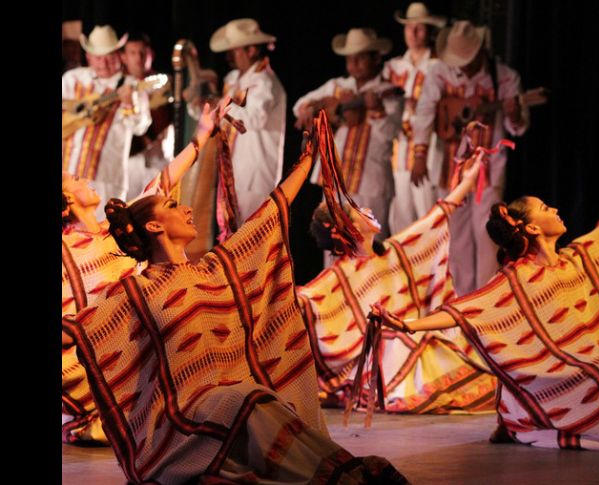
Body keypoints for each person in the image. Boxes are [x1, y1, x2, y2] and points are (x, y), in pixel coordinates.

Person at [62, 131, 410, 483]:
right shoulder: (137, 291)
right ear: (153, 226)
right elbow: (81, 330)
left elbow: (268, 216)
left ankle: (339, 470)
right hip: (180, 420)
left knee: (258, 398)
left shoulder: (215, 270)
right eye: (172, 206)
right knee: (246, 398)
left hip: (232, 402)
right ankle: (338, 477)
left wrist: (307, 162)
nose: (186, 209)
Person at [371, 126, 599, 451]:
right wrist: (407, 325)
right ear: (531, 228)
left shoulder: (577, 258)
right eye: (545, 209)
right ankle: (592, 425)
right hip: (554, 372)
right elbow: (464, 312)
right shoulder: (517, 277)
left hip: (585, 360)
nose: (555, 209)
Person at [62, 101, 230, 444]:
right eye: (76, 179)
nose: (86, 179)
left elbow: (160, 187)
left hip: (137, 351)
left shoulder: (118, 233)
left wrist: (202, 134)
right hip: (91, 357)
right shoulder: (65, 250)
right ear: (66, 198)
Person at [299, 152, 496, 414]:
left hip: (415, 341)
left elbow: (438, 216)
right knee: (399, 340)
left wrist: (469, 179)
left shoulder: (395, 252)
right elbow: (306, 300)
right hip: (386, 357)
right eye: (359, 211)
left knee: (433, 346)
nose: (368, 210)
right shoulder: (339, 276)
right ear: (349, 228)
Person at [412, 20, 530, 296]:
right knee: (456, 238)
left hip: (488, 170)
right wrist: (419, 153)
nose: (462, 66)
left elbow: (517, 127)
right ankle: (461, 299)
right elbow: (425, 111)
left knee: (487, 236)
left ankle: (483, 299)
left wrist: (514, 114)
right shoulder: (439, 72)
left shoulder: (504, 78)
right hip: (450, 169)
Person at [294, 28, 401, 248]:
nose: (354, 63)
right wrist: (309, 109)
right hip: (335, 179)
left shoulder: (389, 91)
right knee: (332, 243)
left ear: (376, 58)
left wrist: (377, 110)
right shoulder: (337, 87)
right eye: (350, 58)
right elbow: (299, 105)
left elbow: (391, 133)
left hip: (370, 183)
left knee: (368, 246)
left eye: (361, 57)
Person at [62, 25, 152, 215]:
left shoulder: (131, 85)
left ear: (118, 55)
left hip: (105, 181)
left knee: (100, 231)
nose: (103, 63)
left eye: (109, 56)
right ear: (88, 56)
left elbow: (141, 126)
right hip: (67, 173)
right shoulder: (72, 79)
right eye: (98, 57)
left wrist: (130, 104)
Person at [209, 18, 287, 235]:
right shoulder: (234, 79)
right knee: (232, 236)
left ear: (251, 50)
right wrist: (203, 104)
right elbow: (222, 117)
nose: (228, 56)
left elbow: (253, 119)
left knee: (251, 238)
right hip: (233, 170)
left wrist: (219, 104)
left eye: (233, 50)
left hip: (255, 174)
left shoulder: (265, 82)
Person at [383, 2, 446, 235]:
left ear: (429, 31)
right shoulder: (393, 67)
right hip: (398, 152)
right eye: (409, 27)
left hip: (427, 152)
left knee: (427, 218)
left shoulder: (439, 66)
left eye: (420, 27)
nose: (414, 32)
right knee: (399, 221)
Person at [120, 32, 175, 201]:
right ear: (124, 57)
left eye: (142, 52)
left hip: (159, 161)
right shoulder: (117, 87)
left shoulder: (166, 84)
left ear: (151, 54)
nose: (138, 58)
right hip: (129, 164)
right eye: (133, 53)